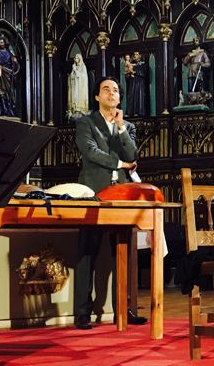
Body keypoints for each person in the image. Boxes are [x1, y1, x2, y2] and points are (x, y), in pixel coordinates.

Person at [73, 76, 138, 330]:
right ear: (97, 97)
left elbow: (133, 154)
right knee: (86, 251)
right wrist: (120, 164)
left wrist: (121, 128)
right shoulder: (86, 123)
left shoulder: (127, 126)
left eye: (115, 90)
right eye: (106, 89)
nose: (112, 93)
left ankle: (125, 308)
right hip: (93, 192)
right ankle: (82, 313)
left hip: (121, 194)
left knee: (123, 251)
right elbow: (90, 151)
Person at [0, 37, 19, 116]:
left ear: (5, 43)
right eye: (0, 42)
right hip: (0, 74)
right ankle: (2, 110)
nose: (1, 44)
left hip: (8, 74)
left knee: (10, 92)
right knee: (1, 92)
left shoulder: (9, 53)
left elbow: (15, 66)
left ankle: (10, 110)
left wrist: (15, 61)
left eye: (2, 42)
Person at [126, 51, 147, 117]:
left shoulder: (143, 64)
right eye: (134, 54)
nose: (135, 55)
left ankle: (138, 112)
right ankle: (130, 112)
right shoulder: (131, 64)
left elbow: (143, 73)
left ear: (140, 56)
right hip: (132, 82)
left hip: (139, 83)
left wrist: (134, 71)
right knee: (131, 96)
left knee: (138, 97)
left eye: (136, 54)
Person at [67, 54, 89, 118]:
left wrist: (75, 70)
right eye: (74, 58)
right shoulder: (74, 67)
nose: (75, 59)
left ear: (79, 59)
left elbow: (83, 77)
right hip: (74, 86)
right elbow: (71, 77)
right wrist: (73, 72)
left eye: (76, 58)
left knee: (78, 98)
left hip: (80, 88)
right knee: (74, 98)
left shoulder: (83, 67)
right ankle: (73, 109)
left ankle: (80, 110)